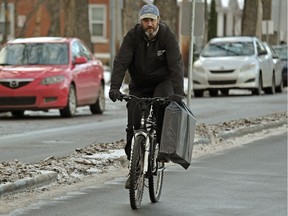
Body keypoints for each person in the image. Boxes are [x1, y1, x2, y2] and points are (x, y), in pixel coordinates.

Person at [109, 4, 184, 188]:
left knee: (161, 107)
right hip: (139, 85)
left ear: (158, 20)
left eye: (152, 20)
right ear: (140, 21)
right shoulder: (133, 36)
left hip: (162, 82)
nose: (149, 24)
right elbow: (121, 62)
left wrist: (178, 93)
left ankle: (161, 151)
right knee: (133, 121)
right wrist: (114, 87)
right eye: (145, 20)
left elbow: (176, 65)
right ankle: (134, 167)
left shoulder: (167, 36)